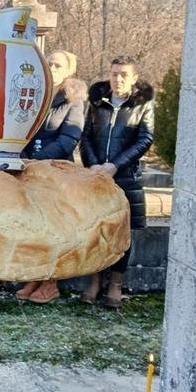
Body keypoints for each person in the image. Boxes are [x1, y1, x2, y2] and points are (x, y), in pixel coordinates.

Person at [80, 55, 155, 308]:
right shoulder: (97, 102)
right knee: (95, 229)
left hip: (124, 177)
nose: (118, 79)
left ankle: (115, 283)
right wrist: (94, 165)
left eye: (124, 75)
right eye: (114, 74)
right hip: (96, 178)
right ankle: (95, 280)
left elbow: (145, 139)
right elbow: (86, 137)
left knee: (123, 233)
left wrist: (115, 165)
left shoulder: (143, 105)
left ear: (134, 78)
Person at [15, 49, 88, 305]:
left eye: (58, 65)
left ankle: (51, 282)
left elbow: (69, 137)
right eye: (49, 64)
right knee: (34, 226)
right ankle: (35, 276)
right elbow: (19, 126)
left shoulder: (73, 100)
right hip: (28, 168)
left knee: (56, 227)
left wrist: (39, 159)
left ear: (69, 70)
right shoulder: (34, 92)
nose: (52, 68)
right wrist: (22, 155)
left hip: (55, 171)